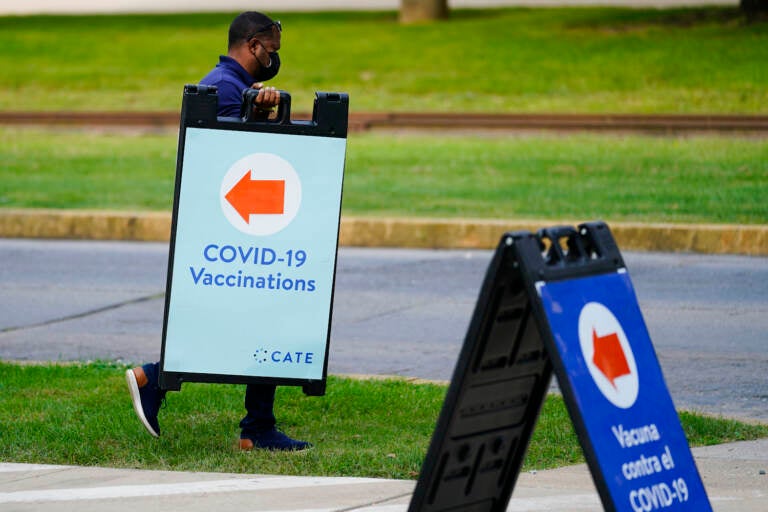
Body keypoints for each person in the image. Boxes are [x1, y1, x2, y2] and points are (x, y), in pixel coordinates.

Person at [126, 11, 311, 452]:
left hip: (240, 228)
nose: (274, 59)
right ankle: (247, 423)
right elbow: (234, 159)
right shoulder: (225, 88)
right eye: (272, 50)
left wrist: (260, 110)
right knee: (262, 321)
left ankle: (246, 422)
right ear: (253, 46)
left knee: (248, 324)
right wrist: (258, 112)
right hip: (239, 231)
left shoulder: (230, 86)